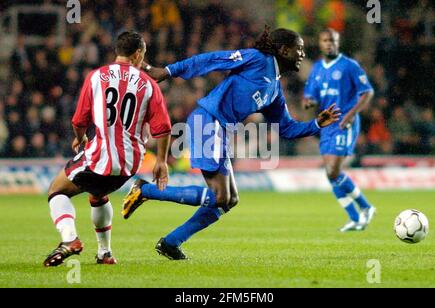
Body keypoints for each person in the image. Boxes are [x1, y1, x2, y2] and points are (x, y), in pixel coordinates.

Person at [122, 26, 341, 260]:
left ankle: (171, 242)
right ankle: (145, 190)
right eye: (299, 49)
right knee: (219, 196)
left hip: (220, 129)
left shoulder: (274, 89)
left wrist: (316, 125)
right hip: (208, 121)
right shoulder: (258, 59)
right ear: (284, 50)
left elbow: (286, 127)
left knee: (229, 200)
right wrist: (167, 71)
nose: (302, 54)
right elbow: (212, 59)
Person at [43, 32, 172, 267]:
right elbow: (163, 128)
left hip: (100, 156)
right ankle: (105, 253)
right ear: (138, 54)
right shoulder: (149, 84)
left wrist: (79, 138)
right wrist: (162, 161)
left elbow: (79, 119)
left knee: (56, 190)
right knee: (98, 194)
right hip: (129, 163)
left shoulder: (96, 77)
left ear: (117, 51)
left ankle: (70, 239)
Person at [302, 28, 376, 232]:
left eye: (333, 40)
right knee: (330, 174)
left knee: (333, 170)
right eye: (325, 40)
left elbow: (367, 93)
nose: (329, 43)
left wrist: (351, 115)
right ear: (320, 43)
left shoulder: (349, 66)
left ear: (338, 42)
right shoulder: (316, 68)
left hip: (345, 122)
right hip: (327, 124)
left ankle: (366, 208)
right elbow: (311, 95)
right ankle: (358, 214)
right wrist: (309, 101)